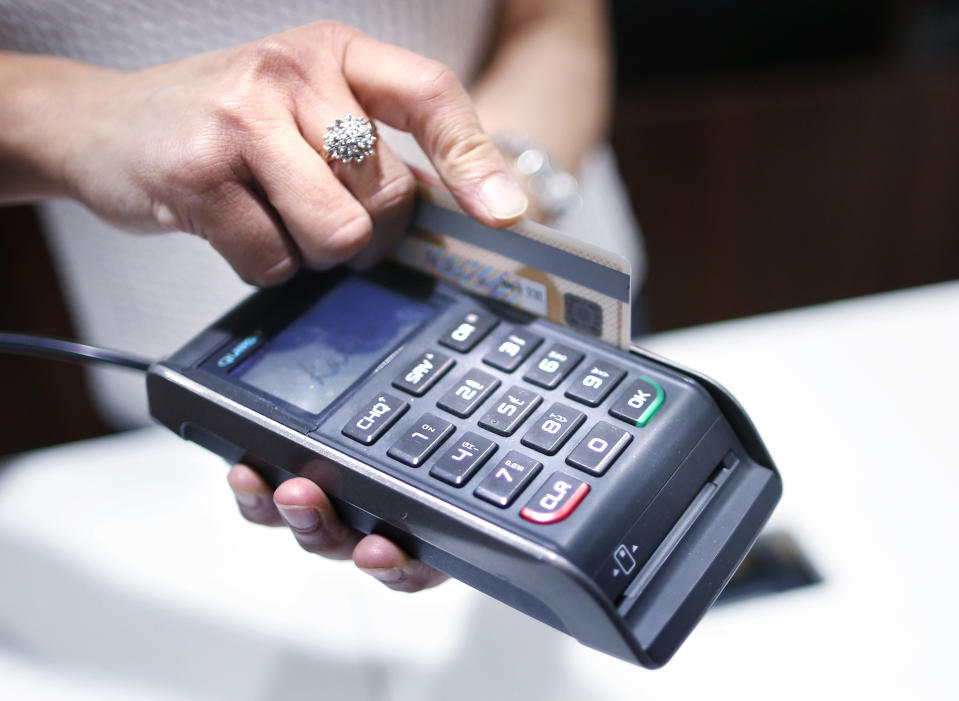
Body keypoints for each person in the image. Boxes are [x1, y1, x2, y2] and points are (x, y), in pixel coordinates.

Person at [0, 0, 643, 592]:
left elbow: (554, 29)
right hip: (196, 380)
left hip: (533, 305)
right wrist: (89, 115)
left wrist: (496, 202)